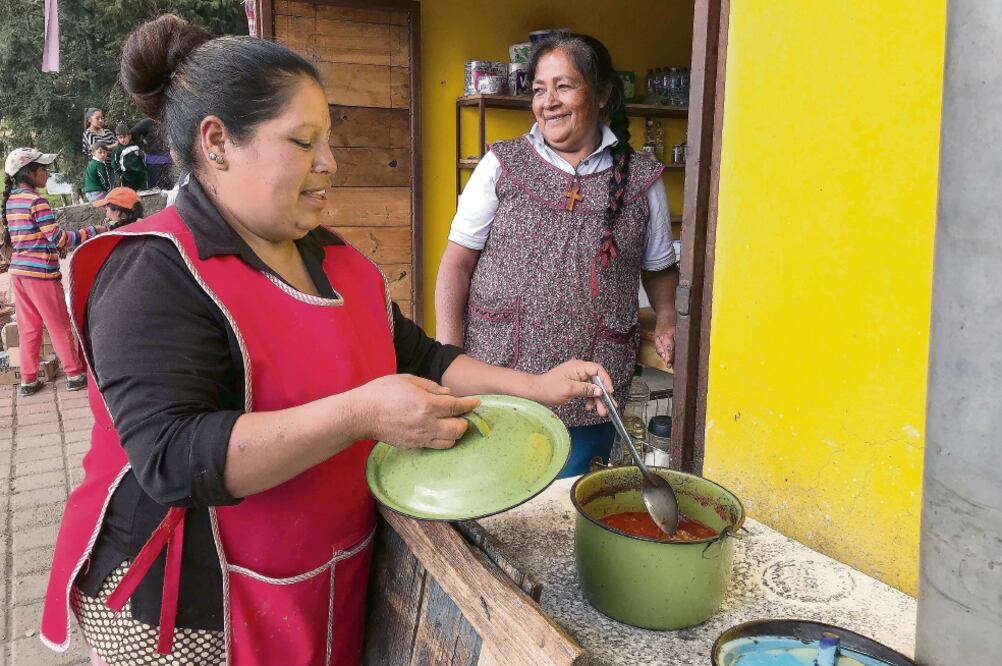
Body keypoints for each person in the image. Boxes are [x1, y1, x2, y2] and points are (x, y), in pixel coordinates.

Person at [40, 14, 612, 666]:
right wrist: (363, 412)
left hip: (327, 571)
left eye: (329, 140)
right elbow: (173, 456)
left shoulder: (339, 262)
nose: (330, 164)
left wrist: (538, 387)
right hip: (194, 607)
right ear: (218, 142)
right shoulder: (154, 272)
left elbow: (419, 358)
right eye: (304, 142)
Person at [435, 32, 680, 477]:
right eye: (539, 89)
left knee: (568, 506)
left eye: (564, 86)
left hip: (592, 387)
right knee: (496, 493)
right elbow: (457, 263)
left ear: (603, 94)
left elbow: (659, 266)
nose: (548, 102)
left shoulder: (643, 178)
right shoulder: (503, 163)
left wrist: (666, 317)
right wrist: (450, 358)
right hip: (498, 370)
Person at [2, 148, 103, 396]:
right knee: (59, 324)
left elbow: (30, 237)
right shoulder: (37, 201)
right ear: (30, 172)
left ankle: (28, 379)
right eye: (43, 169)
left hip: (19, 273)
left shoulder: (12, 201)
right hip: (41, 276)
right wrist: (92, 231)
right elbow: (59, 239)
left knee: (29, 328)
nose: (47, 173)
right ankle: (74, 373)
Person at [131, 117, 174, 189]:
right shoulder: (148, 122)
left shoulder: (170, 120)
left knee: (169, 190)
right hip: (153, 164)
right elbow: (133, 133)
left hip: (168, 163)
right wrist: (143, 145)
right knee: (155, 191)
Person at [81, 108, 117, 182]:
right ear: (89, 120)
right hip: (98, 169)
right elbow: (97, 150)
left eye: (102, 118)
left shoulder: (108, 132)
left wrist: (107, 149)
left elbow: (118, 145)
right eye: (97, 118)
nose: (100, 120)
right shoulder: (88, 134)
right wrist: (110, 148)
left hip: (112, 168)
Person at [111, 123, 148, 191]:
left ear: (130, 136)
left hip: (140, 175)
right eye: (120, 137)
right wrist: (121, 173)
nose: (123, 139)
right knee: (128, 194)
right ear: (117, 138)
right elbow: (114, 163)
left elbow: (141, 159)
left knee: (143, 193)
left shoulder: (136, 146)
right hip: (127, 177)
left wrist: (144, 168)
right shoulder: (117, 150)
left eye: (125, 137)